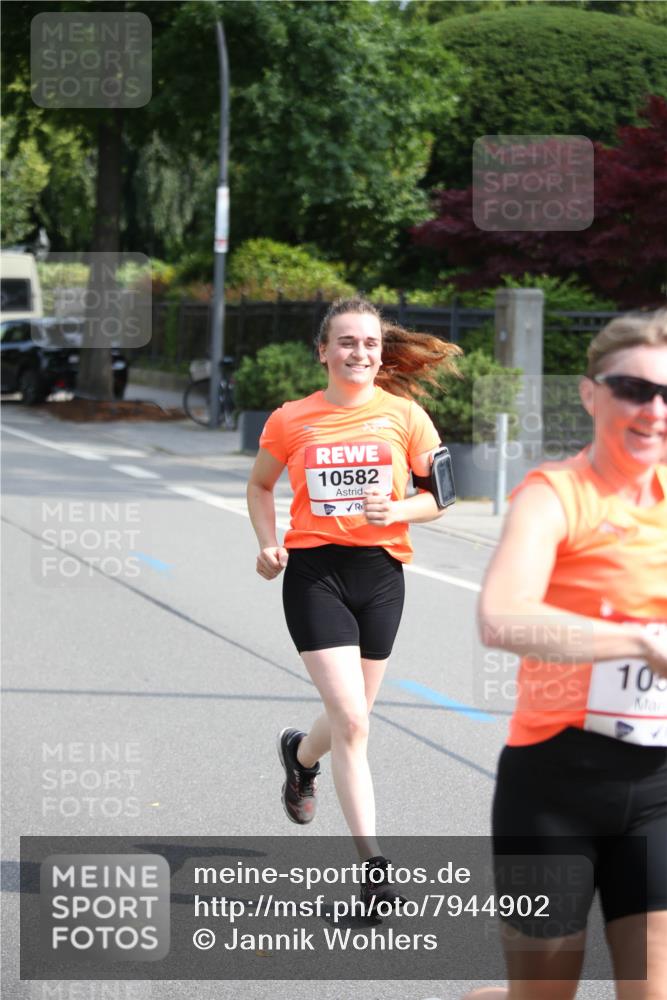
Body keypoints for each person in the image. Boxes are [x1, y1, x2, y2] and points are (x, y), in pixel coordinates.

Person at [464, 309, 667, 1000]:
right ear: (589, 393)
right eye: (634, 390)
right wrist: (637, 641)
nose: (654, 411)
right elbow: (501, 617)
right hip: (553, 788)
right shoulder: (555, 495)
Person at [246, 296, 461, 908]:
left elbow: (442, 496)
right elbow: (260, 485)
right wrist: (268, 544)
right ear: (324, 351)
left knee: (349, 719)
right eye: (346, 342)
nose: (359, 352)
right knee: (356, 722)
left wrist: (399, 509)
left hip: (382, 574)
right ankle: (374, 870)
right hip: (315, 575)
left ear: (380, 352)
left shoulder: (407, 416)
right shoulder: (291, 419)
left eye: (369, 343)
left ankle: (299, 755)